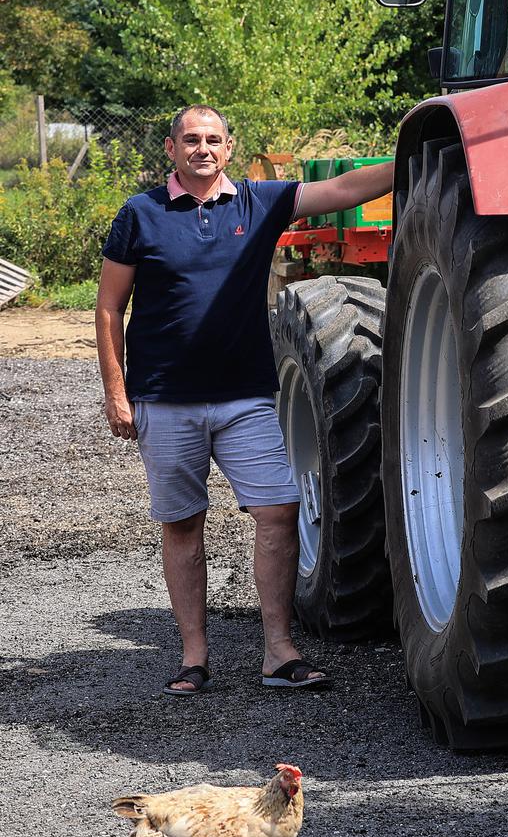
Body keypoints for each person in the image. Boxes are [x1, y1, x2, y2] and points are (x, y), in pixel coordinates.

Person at [95, 105, 396, 696]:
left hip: (246, 398)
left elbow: (341, 189)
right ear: (170, 148)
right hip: (166, 399)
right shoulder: (141, 214)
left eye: (213, 140)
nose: (202, 149)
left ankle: (279, 653)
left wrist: (411, 152)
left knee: (279, 511)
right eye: (190, 139)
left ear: (229, 148)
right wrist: (116, 390)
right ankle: (193, 657)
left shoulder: (259, 203)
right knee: (182, 523)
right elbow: (109, 307)